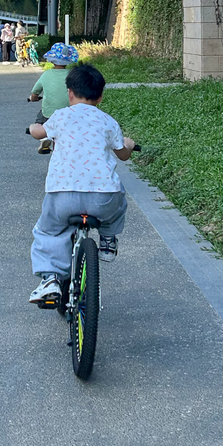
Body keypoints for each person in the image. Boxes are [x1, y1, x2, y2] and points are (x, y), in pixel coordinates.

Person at [28, 63, 135, 307]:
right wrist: (127, 144)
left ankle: (51, 279)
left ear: (69, 93)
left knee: (49, 231)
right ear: (100, 97)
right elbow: (123, 154)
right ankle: (107, 239)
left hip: (62, 195)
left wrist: (35, 128)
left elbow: (40, 133)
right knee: (119, 198)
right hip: (103, 198)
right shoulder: (108, 121)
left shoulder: (61, 116)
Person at [27, 43, 78, 152]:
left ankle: (44, 136)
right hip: (69, 112)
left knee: (40, 119)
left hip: (49, 114)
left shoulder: (46, 74)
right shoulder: (73, 75)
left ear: (51, 60)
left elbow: (35, 92)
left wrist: (33, 98)